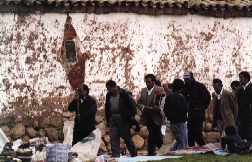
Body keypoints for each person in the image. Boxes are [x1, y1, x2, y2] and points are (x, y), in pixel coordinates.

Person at [105, 80, 137, 157]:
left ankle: (134, 155)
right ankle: (116, 157)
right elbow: (107, 107)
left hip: (123, 119)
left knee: (127, 138)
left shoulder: (124, 94)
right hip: (113, 118)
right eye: (108, 89)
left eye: (110, 89)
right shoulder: (108, 95)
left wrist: (129, 117)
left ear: (114, 87)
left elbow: (133, 107)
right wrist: (108, 120)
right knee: (113, 137)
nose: (109, 91)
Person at [138, 74, 165, 155]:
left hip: (156, 117)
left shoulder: (159, 89)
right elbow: (139, 102)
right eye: (146, 82)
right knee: (155, 134)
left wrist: (147, 108)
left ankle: (151, 151)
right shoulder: (143, 90)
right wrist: (142, 107)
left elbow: (157, 105)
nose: (147, 84)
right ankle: (162, 149)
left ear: (153, 82)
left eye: (149, 82)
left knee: (153, 134)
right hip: (147, 117)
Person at [183, 72, 211, 147]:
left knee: (198, 132)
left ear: (191, 78)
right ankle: (191, 149)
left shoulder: (200, 86)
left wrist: (202, 107)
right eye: (184, 79)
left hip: (198, 113)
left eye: (187, 79)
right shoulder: (184, 87)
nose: (186, 81)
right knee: (190, 133)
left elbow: (207, 97)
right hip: (189, 114)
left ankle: (203, 147)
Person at [164, 79, 188, 151]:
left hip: (172, 122)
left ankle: (172, 151)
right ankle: (179, 155)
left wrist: (170, 117)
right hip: (180, 123)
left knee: (179, 140)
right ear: (181, 88)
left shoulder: (169, 97)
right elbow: (185, 109)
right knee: (183, 142)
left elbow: (165, 110)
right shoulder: (181, 97)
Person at [237, 71, 252, 142]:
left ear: (246, 78)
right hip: (241, 115)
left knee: (250, 132)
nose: (239, 80)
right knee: (242, 133)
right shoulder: (239, 90)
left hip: (250, 115)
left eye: (241, 78)